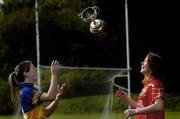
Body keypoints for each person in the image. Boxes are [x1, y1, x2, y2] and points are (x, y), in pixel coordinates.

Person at [115, 52, 165, 119]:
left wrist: (136, 111)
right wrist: (126, 98)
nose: (142, 63)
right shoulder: (147, 85)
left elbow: (159, 106)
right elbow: (140, 107)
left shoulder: (156, 84)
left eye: (145, 61)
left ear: (152, 66)